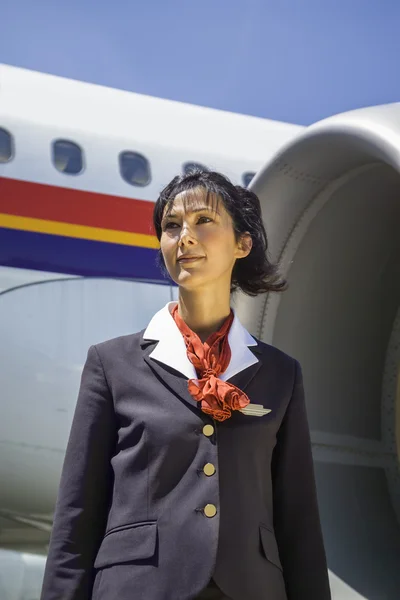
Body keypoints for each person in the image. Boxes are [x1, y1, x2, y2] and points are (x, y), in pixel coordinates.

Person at [40, 170, 331, 600]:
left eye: (203, 221)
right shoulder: (111, 364)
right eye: (172, 226)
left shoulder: (281, 374)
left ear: (242, 244)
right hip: (138, 587)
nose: (185, 237)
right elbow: (76, 519)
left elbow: (298, 521)